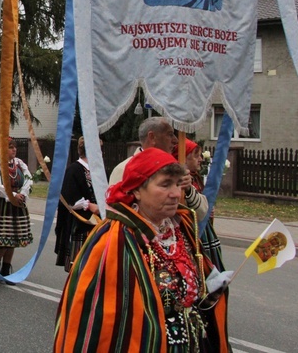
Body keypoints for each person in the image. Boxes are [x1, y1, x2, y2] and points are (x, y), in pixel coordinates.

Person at [54, 147, 230, 351]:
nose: (175, 193)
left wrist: (210, 290)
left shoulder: (182, 227)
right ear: (137, 190)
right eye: (165, 185)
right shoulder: (114, 240)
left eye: (177, 184)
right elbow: (97, 321)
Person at [109, 117, 208, 222]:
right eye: (170, 134)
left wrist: (188, 190)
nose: (176, 140)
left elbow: (202, 214)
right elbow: (116, 213)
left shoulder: (175, 168)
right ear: (152, 137)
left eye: (177, 184)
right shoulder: (123, 169)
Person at [0, 138, 33, 283]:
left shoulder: (19, 163)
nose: (14, 150)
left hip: (17, 203)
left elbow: (28, 178)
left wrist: (23, 193)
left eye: (15, 147)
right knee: (3, 238)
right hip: (2, 205)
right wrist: (10, 195)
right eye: (10, 147)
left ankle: (6, 268)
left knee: (14, 238)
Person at [54, 137, 101, 272]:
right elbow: (67, 198)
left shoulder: (97, 171)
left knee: (94, 267)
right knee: (79, 267)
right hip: (81, 224)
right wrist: (90, 205)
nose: (101, 154)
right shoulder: (74, 169)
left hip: (97, 223)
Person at [180, 139, 225, 272]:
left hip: (204, 228)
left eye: (200, 155)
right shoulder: (183, 181)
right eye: (196, 155)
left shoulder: (196, 178)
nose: (200, 159)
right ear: (184, 158)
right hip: (191, 230)